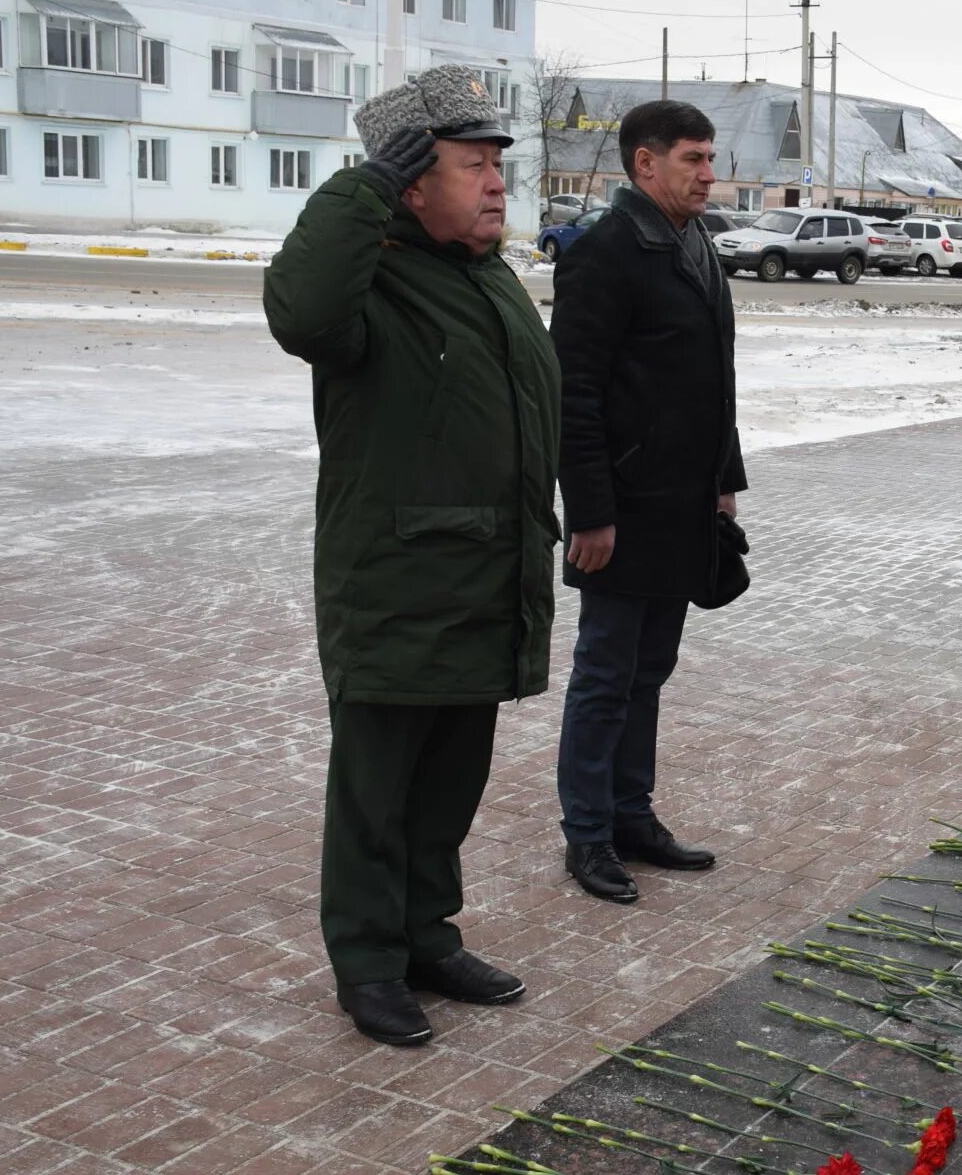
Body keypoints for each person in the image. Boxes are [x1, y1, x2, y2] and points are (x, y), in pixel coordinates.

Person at [264, 65, 561, 1045]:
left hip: (482, 580)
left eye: (496, 165)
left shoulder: (485, 277)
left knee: (446, 788)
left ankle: (427, 937)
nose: (494, 181)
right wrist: (359, 189)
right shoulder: (372, 278)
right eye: (471, 164)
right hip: (395, 584)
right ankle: (367, 962)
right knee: (376, 795)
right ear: (409, 182)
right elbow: (299, 312)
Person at [549, 100, 747, 904]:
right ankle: (588, 835)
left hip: (682, 504)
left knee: (650, 670)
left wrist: (725, 483)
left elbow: (713, 381)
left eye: (710, 159)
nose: (709, 174)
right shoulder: (606, 252)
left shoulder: (694, 243)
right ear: (645, 164)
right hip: (623, 508)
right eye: (694, 159)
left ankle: (633, 815)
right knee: (605, 672)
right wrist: (590, 511)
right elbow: (576, 392)